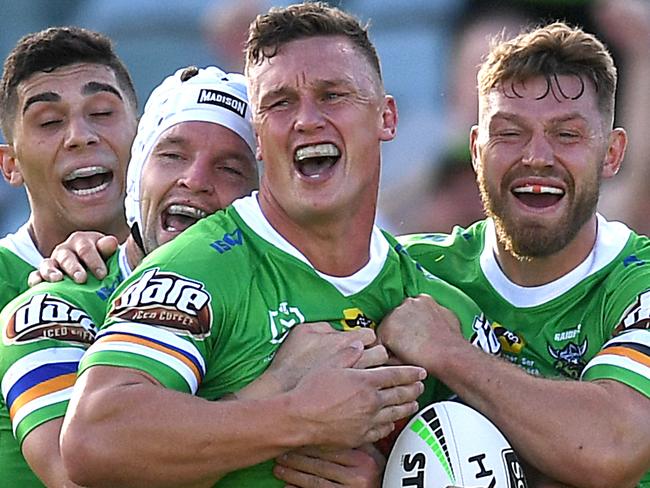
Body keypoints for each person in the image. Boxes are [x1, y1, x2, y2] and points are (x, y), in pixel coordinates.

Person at [59, 3, 499, 487]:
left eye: (333, 95)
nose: (307, 120)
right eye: (280, 103)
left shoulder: (436, 305)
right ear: (261, 139)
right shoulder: (195, 267)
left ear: (386, 118)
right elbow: (93, 438)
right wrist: (298, 417)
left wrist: (393, 477)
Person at [389, 21, 650, 487]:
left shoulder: (640, 282)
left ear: (611, 154)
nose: (536, 156)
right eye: (509, 133)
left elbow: (615, 446)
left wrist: (450, 354)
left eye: (567, 135)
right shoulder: (412, 273)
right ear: (475, 149)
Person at [0, 26, 138, 486]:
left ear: (142, 139)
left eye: (102, 112)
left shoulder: (202, 263)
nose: (80, 136)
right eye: (48, 122)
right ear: (11, 164)